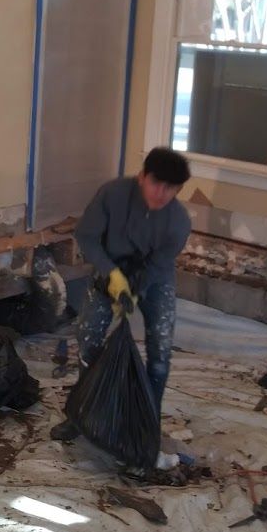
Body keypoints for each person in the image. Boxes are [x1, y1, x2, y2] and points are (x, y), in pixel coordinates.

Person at [51, 147, 192, 442]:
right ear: (142, 177)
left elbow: (159, 263)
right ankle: (81, 415)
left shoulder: (178, 221)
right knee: (88, 337)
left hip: (154, 279)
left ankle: (147, 423)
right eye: (156, 183)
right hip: (109, 269)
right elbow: (87, 236)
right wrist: (111, 275)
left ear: (178, 190)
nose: (161, 193)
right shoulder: (112, 194)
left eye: (171, 188)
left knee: (160, 351)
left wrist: (135, 292)